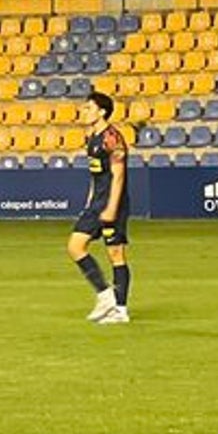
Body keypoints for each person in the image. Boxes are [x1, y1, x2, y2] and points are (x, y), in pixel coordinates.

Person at [67, 90, 131, 325]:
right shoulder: (92, 138)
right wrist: (90, 202)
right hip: (96, 204)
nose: (84, 112)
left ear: (102, 112)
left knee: (115, 254)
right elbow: (96, 177)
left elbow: (118, 175)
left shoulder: (112, 138)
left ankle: (120, 310)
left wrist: (112, 207)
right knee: (75, 246)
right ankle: (105, 296)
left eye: (89, 108)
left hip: (113, 203)